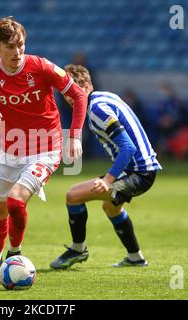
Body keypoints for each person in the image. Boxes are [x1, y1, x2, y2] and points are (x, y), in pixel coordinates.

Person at [0, 16, 87, 282]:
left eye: (20, 45)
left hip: (46, 148)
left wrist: (74, 137)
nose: (17, 52)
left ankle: (14, 254)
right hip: (11, 151)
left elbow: (78, 94)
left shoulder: (41, 66)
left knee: (15, 201)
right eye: (10, 47)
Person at [50, 64, 162, 269]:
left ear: (85, 87)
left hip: (138, 172)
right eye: (66, 93)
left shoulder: (96, 109)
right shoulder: (104, 97)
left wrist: (107, 180)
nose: (68, 98)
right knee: (110, 207)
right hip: (142, 169)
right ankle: (136, 258)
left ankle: (78, 249)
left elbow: (127, 148)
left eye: (71, 91)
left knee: (73, 195)